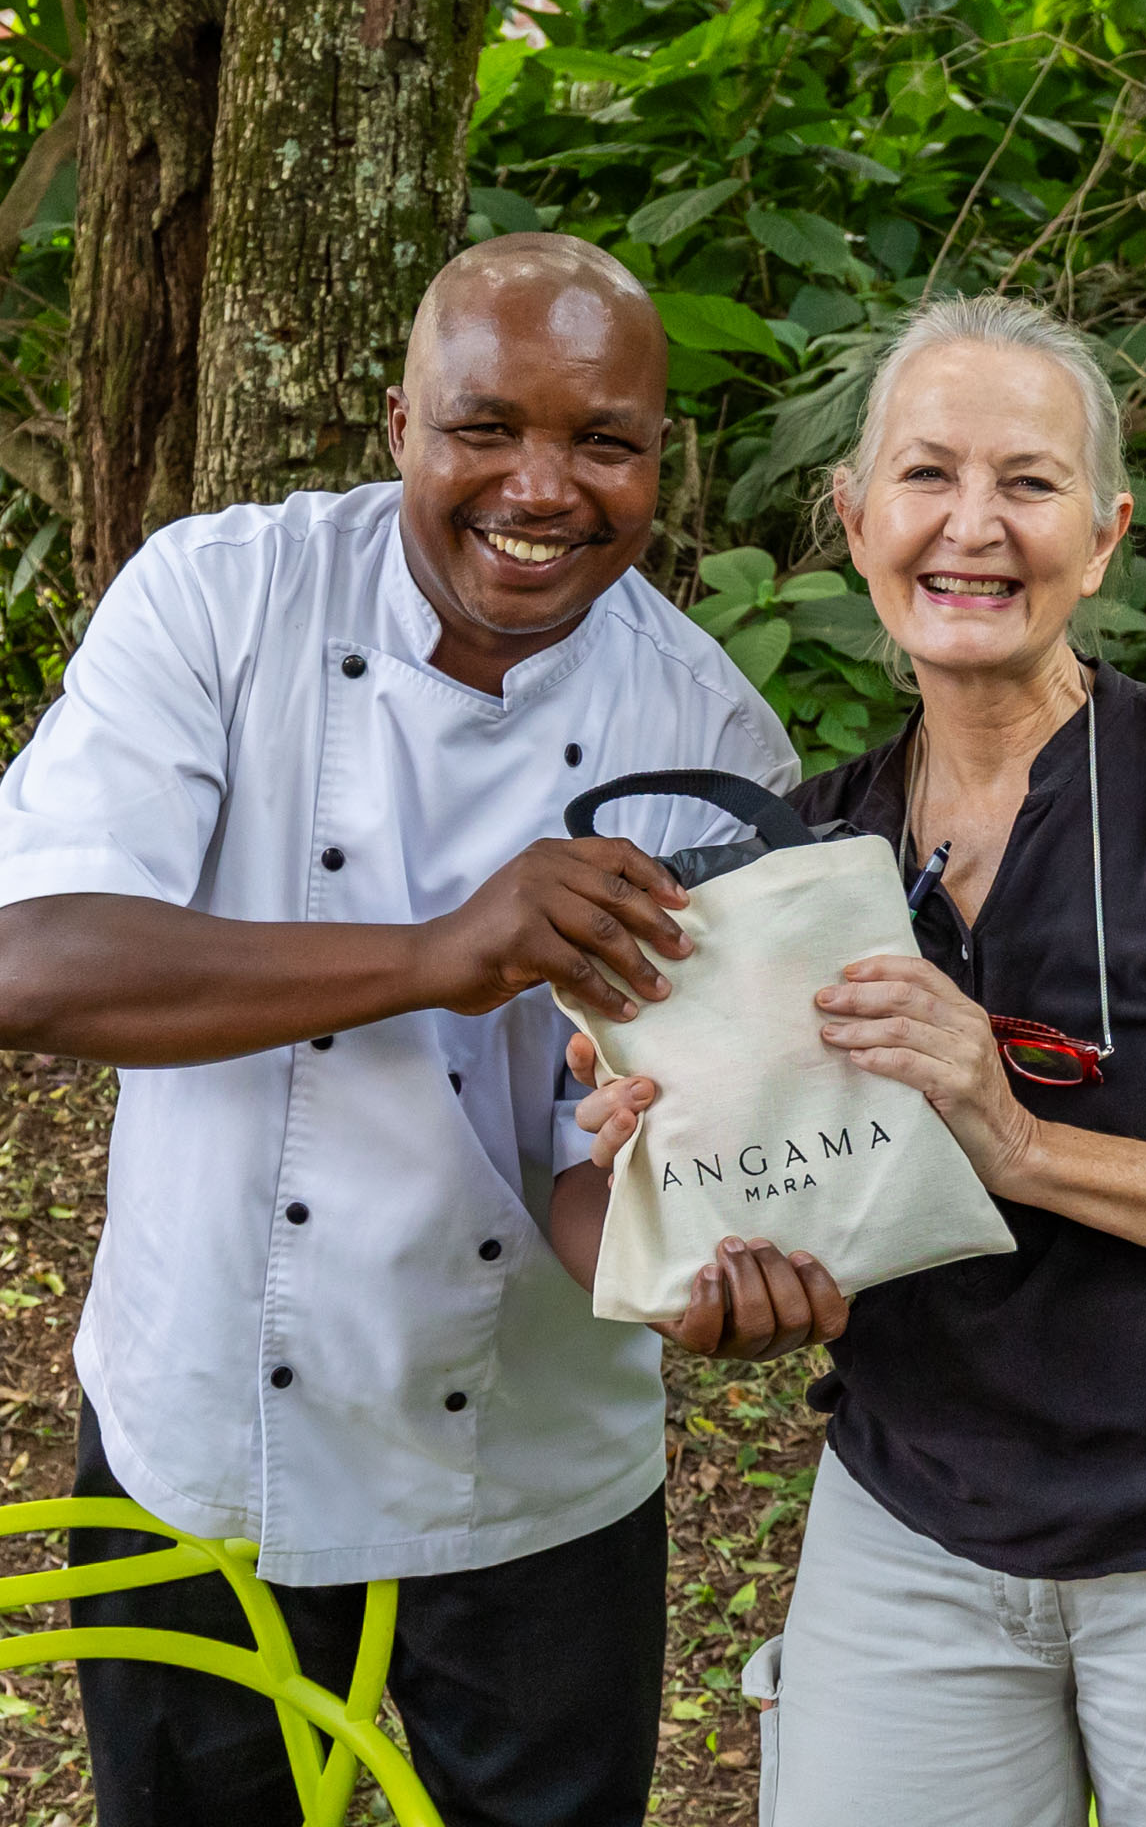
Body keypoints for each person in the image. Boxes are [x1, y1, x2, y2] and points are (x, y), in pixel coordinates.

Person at [0, 233, 819, 1827]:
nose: (544, 486)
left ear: (661, 460)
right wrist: (444, 951)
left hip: (530, 1469)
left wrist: (695, 1270)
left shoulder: (711, 731)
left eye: (605, 444)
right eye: (486, 428)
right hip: (204, 1409)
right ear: (399, 427)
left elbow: (625, 1160)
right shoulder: (222, 593)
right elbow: (30, 962)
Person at [568, 293, 1146, 1826]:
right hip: (914, 1531)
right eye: (929, 476)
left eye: (1030, 481)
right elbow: (811, 1213)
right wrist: (688, 1197)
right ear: (856, 518)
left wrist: (1023, 1145)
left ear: (1109, 530)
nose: (974, 528)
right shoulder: (798, 857)